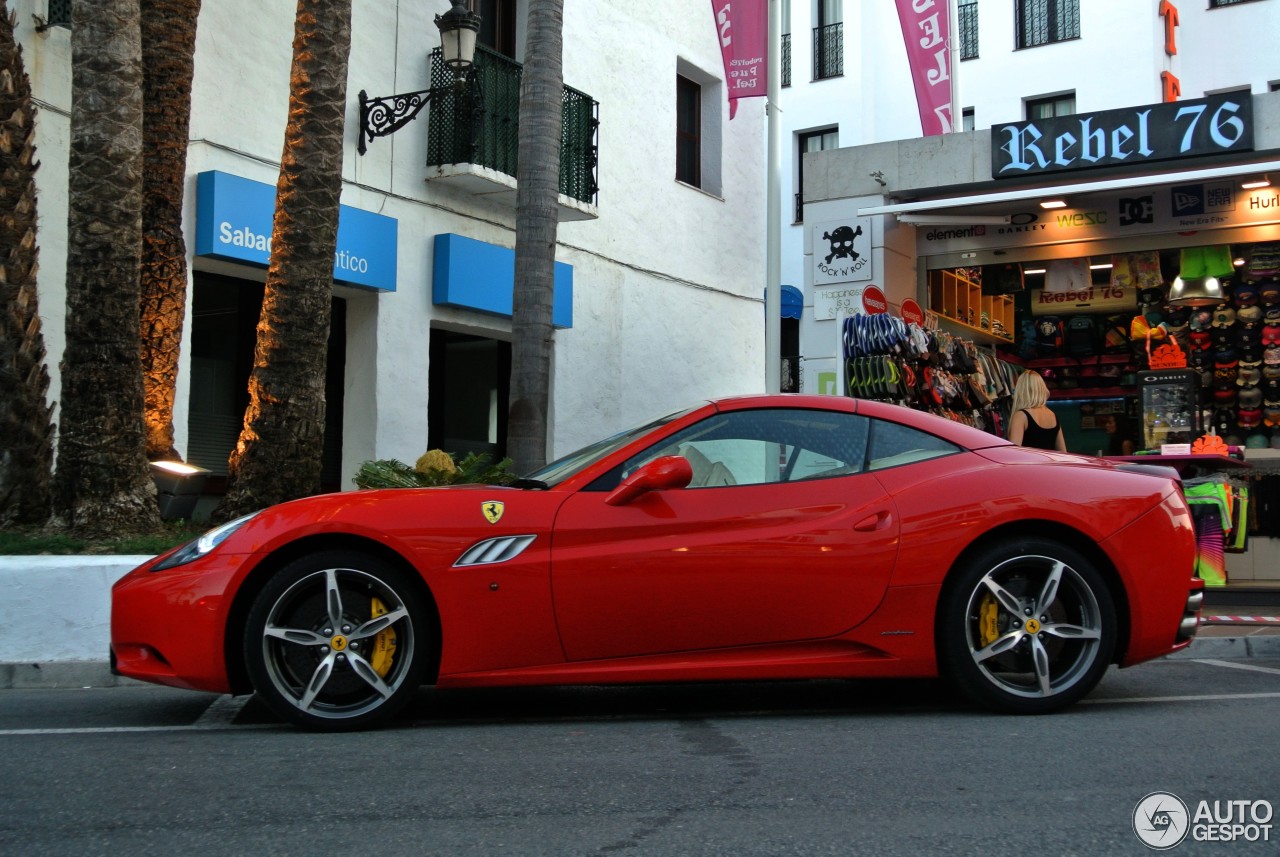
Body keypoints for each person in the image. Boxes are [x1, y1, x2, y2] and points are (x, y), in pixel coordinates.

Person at [1007, 370, 1067, 451]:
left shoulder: (1020, 416)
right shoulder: (1052, 415)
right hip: (1048, 463)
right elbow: (1063, 453)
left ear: (1021, 391)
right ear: (1041, 389)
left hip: (1028, 463)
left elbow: (1013, 454)